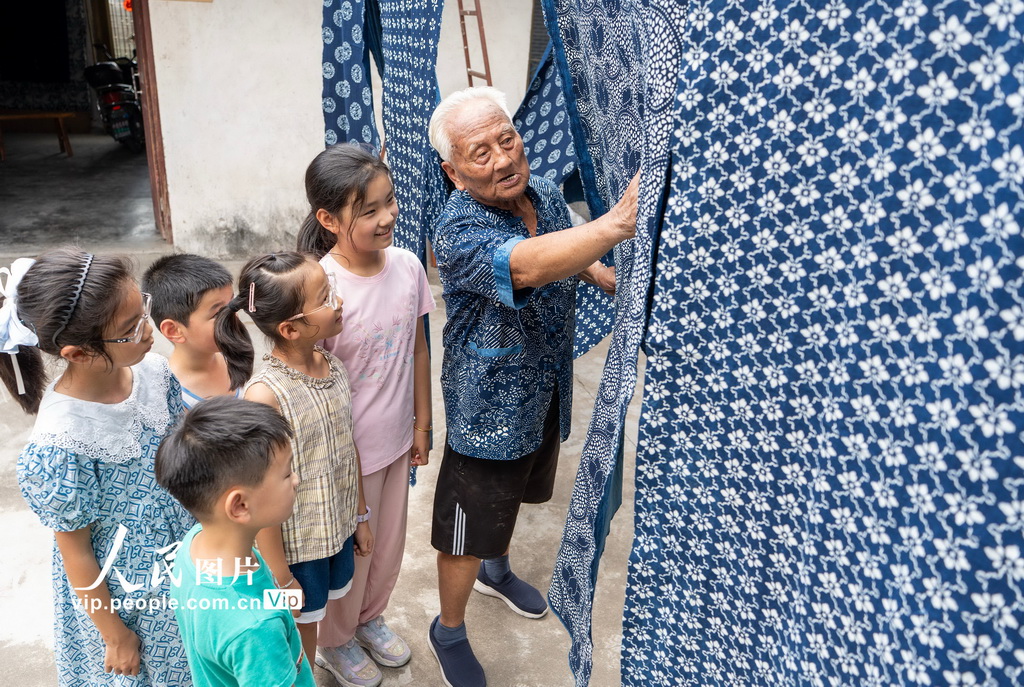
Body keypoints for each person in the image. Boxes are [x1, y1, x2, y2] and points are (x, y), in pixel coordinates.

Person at [425, 86, 638, 686]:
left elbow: (562, 244)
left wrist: (602, 275)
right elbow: (527, 263)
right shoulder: (458, 229)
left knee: (517, 494)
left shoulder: (539, 189)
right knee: (466, 528)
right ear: (453, 172)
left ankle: (496, 570)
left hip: (545, 388)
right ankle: (448, 630)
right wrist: (616, 224)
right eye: (481, 153)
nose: (503, 159)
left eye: (507, 139)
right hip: (488, 407)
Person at [0, 248, 194, 685]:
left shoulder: (153, 371)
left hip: (183, 554)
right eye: (130, 329)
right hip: (127, 594)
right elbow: (78, 554)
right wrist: (115, 635)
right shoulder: (62, 441)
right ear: (79, 353)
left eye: (142, 312)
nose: (148, 330)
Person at [296, 144, 435, 687]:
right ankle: (335, 640)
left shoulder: (408, 266)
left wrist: (422, 424)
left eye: (390, 201)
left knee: (388, 548)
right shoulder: (320, 288)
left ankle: (370, 619)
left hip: (397, 442)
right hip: (343, 459)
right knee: (349, 553)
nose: (388, 217)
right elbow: (309, 377)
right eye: (370, 210)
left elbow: (418, 349)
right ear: (328, 220)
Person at [213, 251, 374, 672]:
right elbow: (259, 494)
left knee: (318, 615)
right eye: (326, 298)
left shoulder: (332, 365)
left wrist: (360, 516)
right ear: (290, 328)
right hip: (298, 546)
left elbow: (348, 446)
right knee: (299, 630)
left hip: (335, 525)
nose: (339, 302)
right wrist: (282, 576)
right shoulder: (265, 395)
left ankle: (329, 655)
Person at [155, 395, 315, 687]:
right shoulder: (256, 629)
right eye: (286, 473)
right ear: (240, 506)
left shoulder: (195, 544)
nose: (296, 479)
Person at [141, 253, 237, 408]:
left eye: (233, 305)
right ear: (174, 331)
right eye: (218, 313)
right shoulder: (172, 398)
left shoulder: (236, 359)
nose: (233, 317)